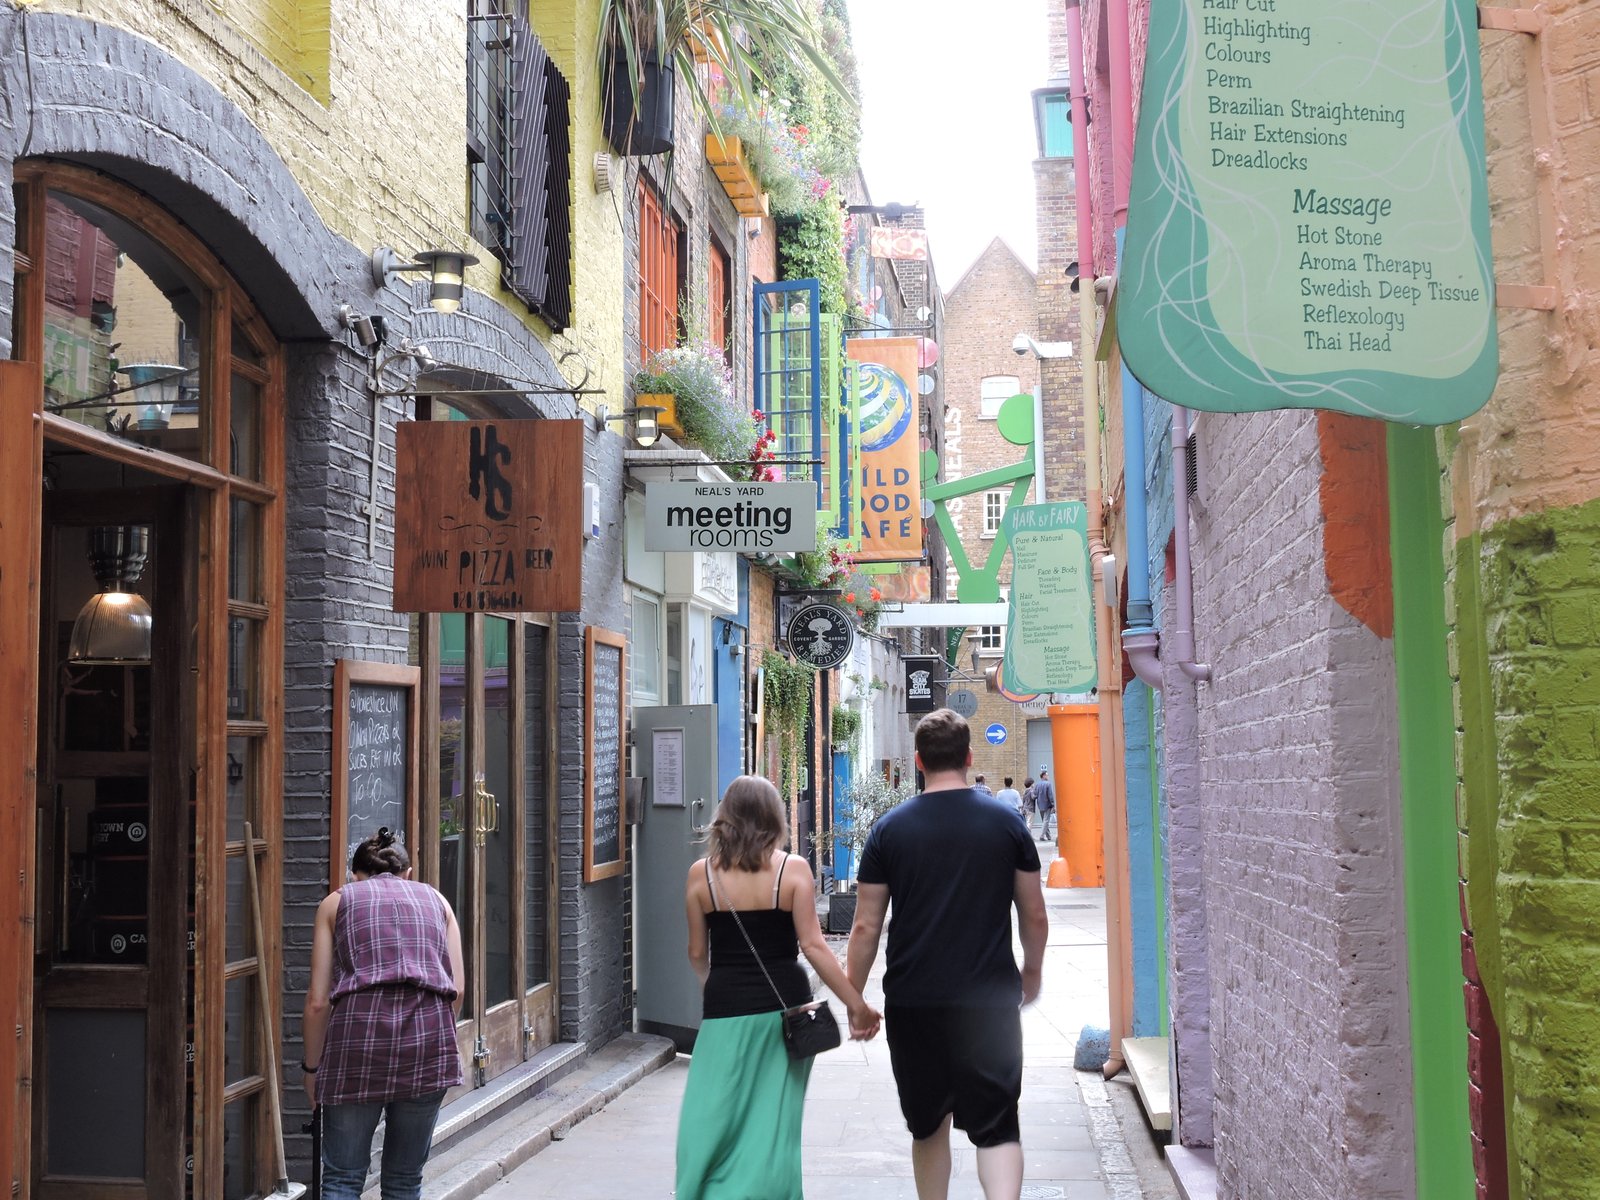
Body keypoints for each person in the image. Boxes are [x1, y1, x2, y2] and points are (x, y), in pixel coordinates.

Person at [846, 710, 1050, 1200]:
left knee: (927, 1122)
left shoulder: (888, 831)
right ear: (969, 757)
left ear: (918, 760)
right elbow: (1035, 915)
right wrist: (1031, 972)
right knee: (998, 1124)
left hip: (915, 1001)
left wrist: (854, 999)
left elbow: (865, 925)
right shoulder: (1007, 824)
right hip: (989, 1000)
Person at [677, 776, 881, 1199]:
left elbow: (697, 952)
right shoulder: (793, 870)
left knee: (713, 1111)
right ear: (775, 817)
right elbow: (813, 946)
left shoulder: (702, 876)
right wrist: (855, 1004)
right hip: (785, 1013)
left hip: (723, 1008)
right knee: (773, 1121)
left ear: (724, 816)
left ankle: (705, 1190)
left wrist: (709, 986)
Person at [302, 828, 465, 1200]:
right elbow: (457, 990)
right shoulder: (438, 901)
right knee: (405, 1180)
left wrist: (312, 1070)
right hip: (428, 1043)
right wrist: (437, 1037)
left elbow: (317, 1002)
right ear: (409, 873)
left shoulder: (336, 902)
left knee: (342, 1178)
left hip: (356, 1045)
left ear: (354, 873)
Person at [1034, 768, 1057, 842]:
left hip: (1040, 805)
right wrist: (1053, 804)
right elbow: (1050, 795)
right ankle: (1042, 835)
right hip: (1047, 804)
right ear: (1043, 776)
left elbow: (1035, 795)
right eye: (1047, 775)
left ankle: (1048, 836)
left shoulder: (1037, 784)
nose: (1048, 776)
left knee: (1044, 820)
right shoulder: (1048, 784)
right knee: (1046, 821)